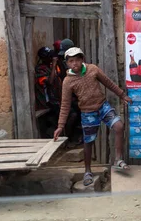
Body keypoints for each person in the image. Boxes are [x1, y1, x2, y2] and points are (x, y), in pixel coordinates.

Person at [54, 47, 133, 185]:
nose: (75, 64)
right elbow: (65, 105)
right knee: (88, 142)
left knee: (119, 126)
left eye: (77, 60)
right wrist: (60, 126)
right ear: (67, 63)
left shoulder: (93, 69)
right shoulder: (67, 81)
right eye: (71, 61)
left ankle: (118, 159)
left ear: (82, 60)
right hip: (87, 112)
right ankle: (87, 171)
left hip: (103, 106)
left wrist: (122, 95)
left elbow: (108, 83)